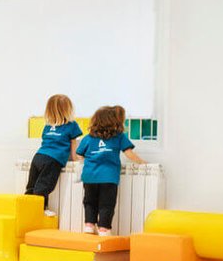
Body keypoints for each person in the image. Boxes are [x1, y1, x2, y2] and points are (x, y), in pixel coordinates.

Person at [76, 105, 145, 233]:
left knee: (89, 202)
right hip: (109, 177)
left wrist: (86, 162)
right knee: (106, 204)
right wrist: (142, 162)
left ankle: (89, 225)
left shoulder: (88, 138)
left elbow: (79, 154)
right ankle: (103, 228)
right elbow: (129, 153)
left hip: (90, 176)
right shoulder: (119, 137)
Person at [25, 94, 81, 210]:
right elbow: (73, 147)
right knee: (43, 186)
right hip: (52, 160)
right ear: (68, 109)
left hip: (38, 157)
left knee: (31, 186)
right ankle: (40, 209)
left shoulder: (47, 126)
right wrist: (77, 160)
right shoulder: (72, 126)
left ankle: (27, 208)